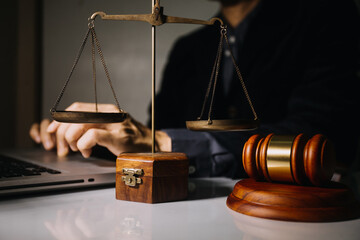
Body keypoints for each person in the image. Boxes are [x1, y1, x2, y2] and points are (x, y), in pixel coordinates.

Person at [30, 0, 360, 178]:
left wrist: (158, 140)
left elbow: (324, 140)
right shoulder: (191, 47)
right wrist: (89, 136)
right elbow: (152, 138)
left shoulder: (326, 14)